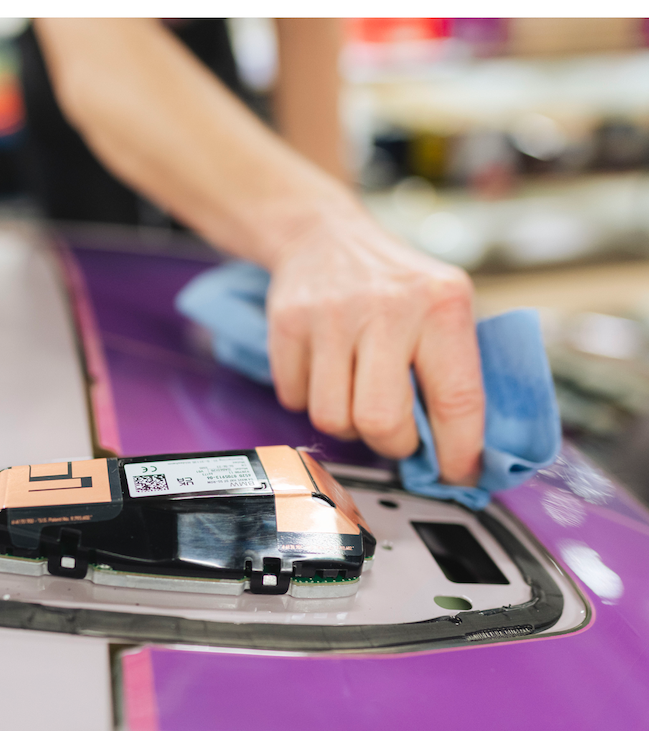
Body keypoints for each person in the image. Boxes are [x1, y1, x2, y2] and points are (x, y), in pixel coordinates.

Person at [27, 18, 485, 487]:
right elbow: (99, 57)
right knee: (94, 299)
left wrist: (336, 249)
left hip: (202, 57)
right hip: (74, 68)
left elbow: (308, 30)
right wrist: (314, 229)